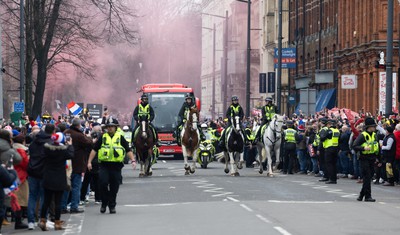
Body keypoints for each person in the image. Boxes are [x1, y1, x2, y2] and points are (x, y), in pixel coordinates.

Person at [87, 117, 135, 214]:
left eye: (112, 127)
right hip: (104, 165)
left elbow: (127, 150)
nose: (110, 128)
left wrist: (133, 160)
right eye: (108, 127)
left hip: (116, 166)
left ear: (116, 128)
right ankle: (104, 203)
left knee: (114, 186)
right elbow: (94, 150)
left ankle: (112, 205)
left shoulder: (120, 137)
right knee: (103, 183)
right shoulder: (103, 137)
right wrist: (89, 162)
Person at [38, 132, 74, 231]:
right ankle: (57, 223)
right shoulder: (63, 151)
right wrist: (70, 145)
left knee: (46, 200)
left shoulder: (46, 149)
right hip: (59, 178)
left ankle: (42, 220)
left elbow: (42, 156)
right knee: (58, 202)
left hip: (48, 177)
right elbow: (71, 155)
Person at [26, 124, 55, 229]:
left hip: (32, 171)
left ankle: (30, 221)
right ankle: (43, 219)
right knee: (44, 197)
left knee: (32, 196)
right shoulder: (50, 143)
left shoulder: (34, 143)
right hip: (44, 172)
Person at [64, 118, 93, 213]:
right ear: (79, 125)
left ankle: (63, 206)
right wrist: (88, 136)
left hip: (66, 162)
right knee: (76, 186)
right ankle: (74, 206)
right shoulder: (79, 135)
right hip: (78, 163)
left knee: (66, 186)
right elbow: (89, 142)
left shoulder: (66, 132)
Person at [352, 117, 379, 202]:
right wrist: (363, 148)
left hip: (372, 158)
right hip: (364, 158)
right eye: (373, 126)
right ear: (368, 127)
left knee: (369, 177)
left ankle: (361, 195)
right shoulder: (362, 135)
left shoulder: (375, 135)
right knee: (367, 177)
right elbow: (354, 146)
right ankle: (368, 196)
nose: (375, 128)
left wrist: (379, 159)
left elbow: (378, 147)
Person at [319, 119, 340, 184]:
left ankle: (331, 179)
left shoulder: (329, 130)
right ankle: (334, 178)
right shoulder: (337, 131)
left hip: (329, 148)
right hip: (335, 148)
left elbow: (322, 138)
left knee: (329, 164)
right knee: (334, 164)